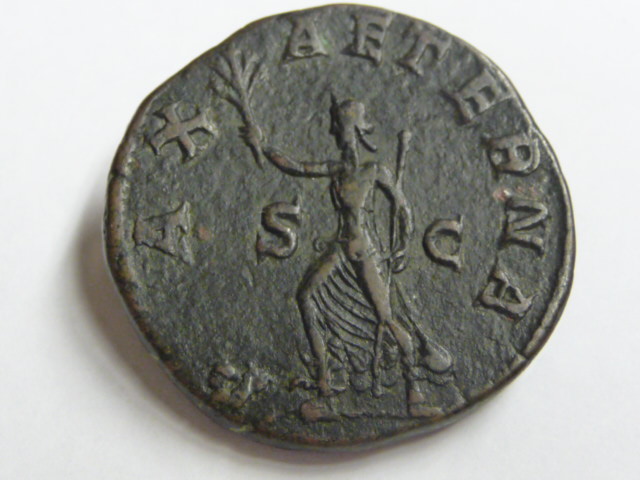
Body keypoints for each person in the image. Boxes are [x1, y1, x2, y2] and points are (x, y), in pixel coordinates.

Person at [262, 96, 451, 417]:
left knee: (386, 320)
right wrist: (264, 146)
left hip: (364, 248)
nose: (341, 134)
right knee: (306, 296)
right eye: (340, 128)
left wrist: (402, 245)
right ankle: (325, 385)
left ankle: (415, 396)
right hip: (341, 246)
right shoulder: (336, 168)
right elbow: (298, 167)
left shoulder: (374, 170)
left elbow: (403, 208)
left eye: (346, 127)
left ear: (359, 131)